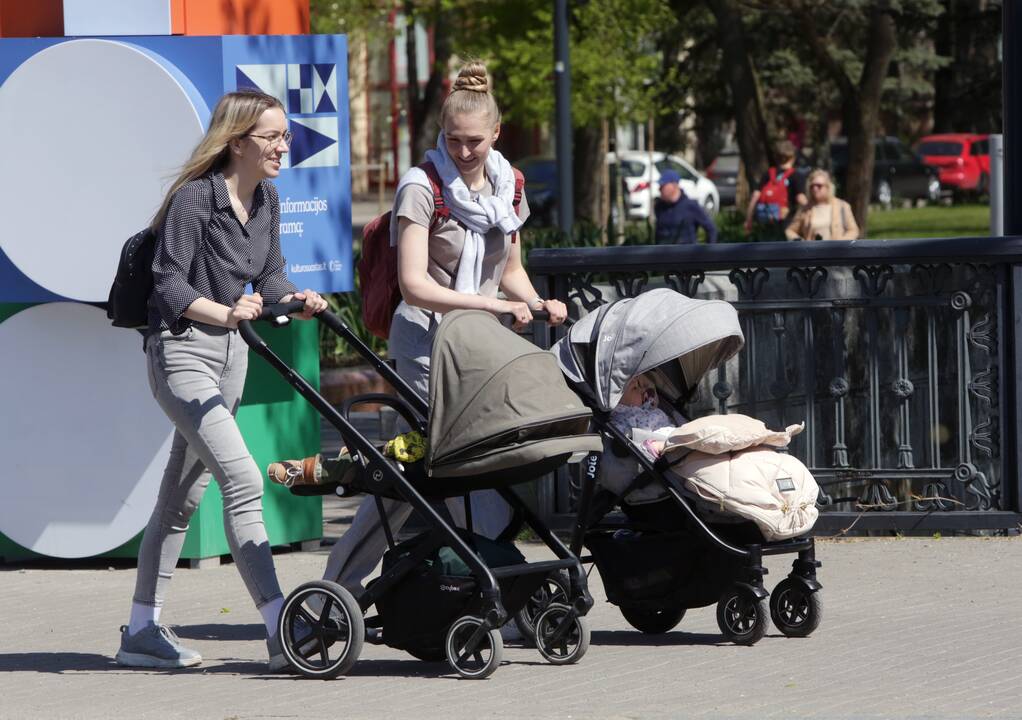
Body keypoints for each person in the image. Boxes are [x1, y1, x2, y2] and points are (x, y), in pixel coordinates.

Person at [320, 61, 567, 600]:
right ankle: (337, 586)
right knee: (414, 470)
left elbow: (510, 269)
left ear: (496, 134)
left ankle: (491, 585)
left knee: (483, 463)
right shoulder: (420, 187)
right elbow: (414, 286)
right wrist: (491, 303)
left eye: (474, 141)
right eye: (453, 140)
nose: (463, 152)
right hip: (425, 343)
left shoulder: (511, 185)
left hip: (480, 343)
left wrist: (536, 301)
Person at [115, 89, 328, 672]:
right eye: (272, 137)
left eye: (286, 135)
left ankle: (140, 630)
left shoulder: (268, 200)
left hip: (232, 359)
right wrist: (224, 312)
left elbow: (273, 276)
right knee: (241, 479)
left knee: (180, 501)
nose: (284, 145)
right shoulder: (194, 200)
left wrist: (299, 299)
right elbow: (168, 284)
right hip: (181, 353)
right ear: (237, 143)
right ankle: (281, 629)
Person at [743, 140, 807, 237]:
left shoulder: (769, 173)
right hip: (786, 220)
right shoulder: (796, 175)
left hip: (766, 219)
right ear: (793, 157)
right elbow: (800, 198)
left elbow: (755, 196)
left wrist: (748, 220)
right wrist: (812, 209)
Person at [784, 169, 859, 241]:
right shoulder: (806, 208)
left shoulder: (842, 206)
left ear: (828, 187)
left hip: (836, 252)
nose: (815, 189)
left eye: (819, 186)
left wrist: (840, 243)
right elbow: (789, 231)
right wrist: (801, 242)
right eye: (812, 186)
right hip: (812, 252)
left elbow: (853, 231)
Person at [653, 170, 717, 245]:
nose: (659, 189)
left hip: (686, 255)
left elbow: (711, 229)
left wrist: (708, 253)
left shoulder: (690, 206)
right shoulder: (659, 207)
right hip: (663, 255)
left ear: (674, 185)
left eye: (662, 186)